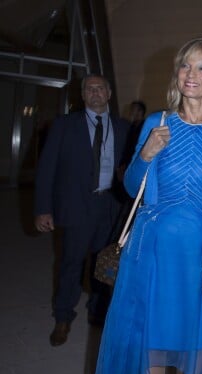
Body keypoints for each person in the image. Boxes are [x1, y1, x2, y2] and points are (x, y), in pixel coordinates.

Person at [93, 37, 202, 374]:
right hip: (152, 256)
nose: (191, 74)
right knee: (148, 359)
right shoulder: (158, 121)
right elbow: (130, 188)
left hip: (200, 257)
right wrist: (146, 153)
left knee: (193, 365)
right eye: (185, 65)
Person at [34, 74, 130, 346]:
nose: (95, 92)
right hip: (76, 205)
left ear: (109, 93)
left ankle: (98, 314)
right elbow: (47, 169)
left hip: (110, 207)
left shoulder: (123, 128)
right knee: (71, 264)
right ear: (83, 95)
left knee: (104, 266)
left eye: (100, 88)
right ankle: (63, 317)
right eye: (90, 89)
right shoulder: (65, 126)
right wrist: (43, 208)